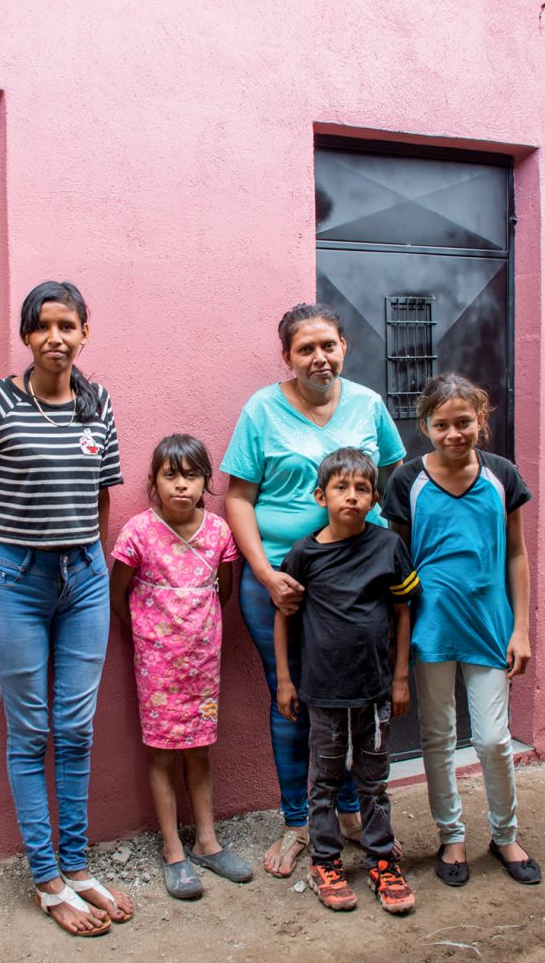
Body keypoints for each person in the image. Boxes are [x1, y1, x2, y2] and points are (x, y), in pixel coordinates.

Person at [0, 281, 134, 937]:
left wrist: (91, 558)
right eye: (43, 327)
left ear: (85, 332)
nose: (56, 337)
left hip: (84, 578)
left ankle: (78, 864)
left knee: (79, 728)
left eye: (68, 325)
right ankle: (47, 878)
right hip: (17, 581)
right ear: (27, 336)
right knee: (31, 732)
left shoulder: (99, 403)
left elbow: (102, 496)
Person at [222, 303, 405, 877]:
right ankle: (298, 822)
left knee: (354, 692)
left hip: (357, 583)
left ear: (344, 347)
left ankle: (350, 811)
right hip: (283, 580)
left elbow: (394, 480)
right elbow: (237, 497)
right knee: (293, 697)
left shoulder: (369, 406)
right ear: (288, 357)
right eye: (306, 349)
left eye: (328, 345)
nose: (319, 357)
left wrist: (384, 552)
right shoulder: (262, 410)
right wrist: (266, 572)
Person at [382, 373, 541, 887]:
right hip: (431, 628)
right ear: (425, 424)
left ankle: (504, 833)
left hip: (490, 627)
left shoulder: (501, 475)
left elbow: (516, 553)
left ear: (481, 422)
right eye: (443, 424)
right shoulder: (408, 481)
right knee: (438, 737)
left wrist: (520, 629)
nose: (455, 433)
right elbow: (397, 562)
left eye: (465, 422)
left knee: (494, 739)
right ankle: (451, 834)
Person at [275, 448, 418, 914]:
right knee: (326, 782)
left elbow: (402, 612)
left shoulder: (388, 547)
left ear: (375, 497)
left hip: (375, 690)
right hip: (324, 693)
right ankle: (326, 861)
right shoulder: (305, 554)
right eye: (341, 488)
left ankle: (381, 859)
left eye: (362, 489)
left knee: (374, 780)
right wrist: (284, 680)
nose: (352, 497)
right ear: (321, 496)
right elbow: (284, 618)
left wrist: (400, 679)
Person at [110, 434, 253, 900]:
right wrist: (150, 641)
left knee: (199, 748)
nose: (181, 486)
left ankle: (206, 841)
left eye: (191, 476)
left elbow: (223, 592)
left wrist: (196, 634)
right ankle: (173, 849)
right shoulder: (137, 532)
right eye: (170, 476)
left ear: (206, 482)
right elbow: (119, 595)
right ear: (153, 481)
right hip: (156, 665)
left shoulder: (218, 534)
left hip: (203, 663)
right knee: (161, 752)